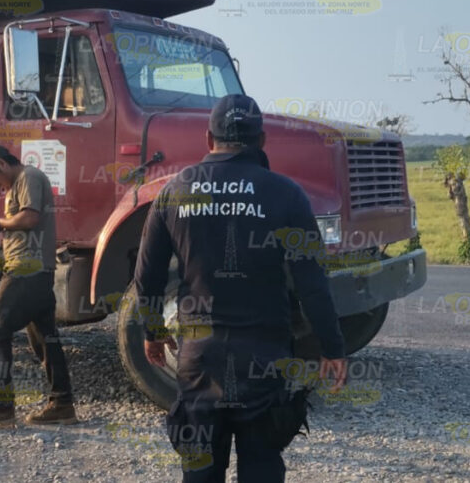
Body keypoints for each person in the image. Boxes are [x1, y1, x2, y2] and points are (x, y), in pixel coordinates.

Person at [134, 94, 348, 482]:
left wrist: (152, 331)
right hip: (265, 359)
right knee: (262, 467)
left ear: (207, 138)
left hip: (199, 359)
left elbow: (145, 276)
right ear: (262, 140)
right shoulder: (286, 195)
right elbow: (312, 282)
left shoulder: (173, 192)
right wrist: (332, 347)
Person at [0, 144, 77, 428]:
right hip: (37, 271)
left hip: (26, 270)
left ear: (1, 163)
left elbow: (30, 217)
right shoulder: (19, 184)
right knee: (45, 339)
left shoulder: (29, 177)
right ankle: (62, 404)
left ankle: (0, 406)